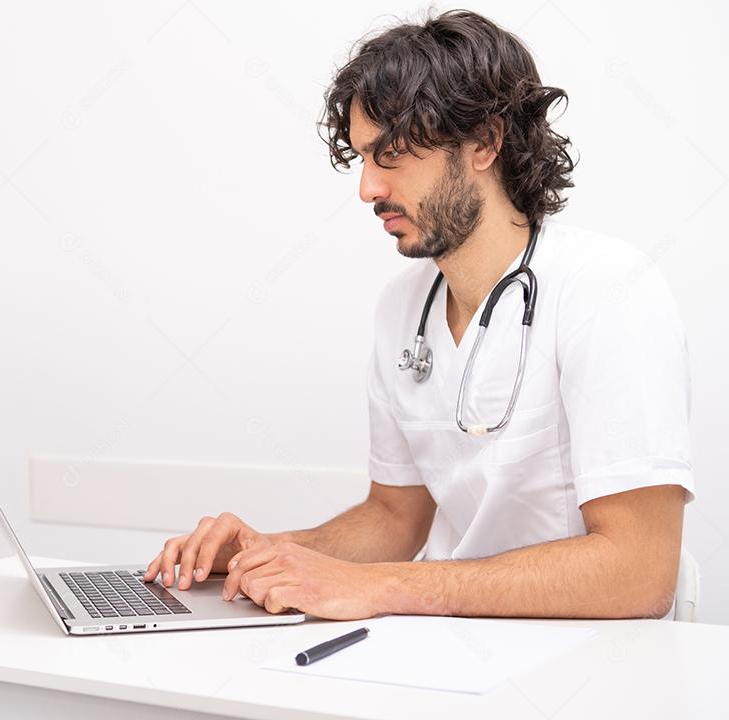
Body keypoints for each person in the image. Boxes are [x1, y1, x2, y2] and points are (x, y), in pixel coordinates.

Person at [142, 9, 694, 621]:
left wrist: (385, 589)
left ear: (484, 142)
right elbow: (395, 518)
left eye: (391, 155)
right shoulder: (403, 306)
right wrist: (269, 552)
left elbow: (640, 573)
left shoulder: (607, 289)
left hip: (583, 657)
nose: (367, 189)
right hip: (442, 643)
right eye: (361, 158)